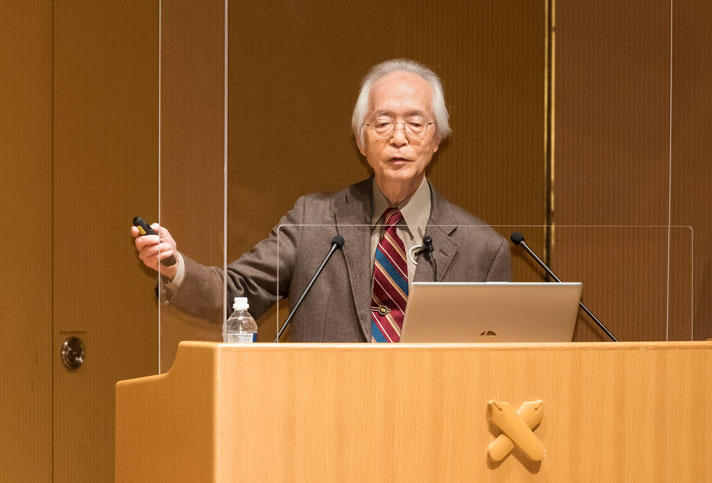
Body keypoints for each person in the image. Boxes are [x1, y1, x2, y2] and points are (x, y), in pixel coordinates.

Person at [132, 58, 511, 342]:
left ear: (436, 139)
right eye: (382, 123)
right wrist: (174, 266)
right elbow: (237, 294)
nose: (399, 138)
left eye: (415, 123)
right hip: (323, 414)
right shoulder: (313, 221)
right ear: (361, 140)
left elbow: (500, 364)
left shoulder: (481, 250)